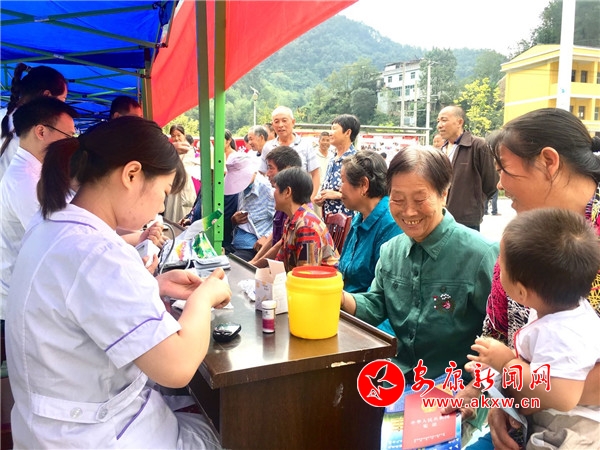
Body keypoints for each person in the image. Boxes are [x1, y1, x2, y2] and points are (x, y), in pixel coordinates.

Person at [5, 116, 231, 448]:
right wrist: (204, 297)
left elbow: (75, 303)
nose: (160, 206)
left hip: (49, 429)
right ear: (132, 174)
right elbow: (178, 365)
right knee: (230, 429)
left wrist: (155, 285)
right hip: (93, 436)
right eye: (163, 192)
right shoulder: (98, 252)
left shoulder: (50, 224)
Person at [442, 108, 600, 450]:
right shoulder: (521, 236)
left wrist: (519, 388)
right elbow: (498, 330)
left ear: (548, 162)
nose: (499, 184)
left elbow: (566, 390)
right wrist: (496, 400)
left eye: (505, 171)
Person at [340, 145, 498, 381]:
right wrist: (338, 297)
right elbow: (376, 304)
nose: (409, 212)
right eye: (398, 199)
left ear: (444, 194)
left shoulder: (481, 254)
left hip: (455, 386)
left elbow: (502, 332)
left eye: (419, 199)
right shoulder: (390, 251)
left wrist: (478, 385)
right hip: (398, 378)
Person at [468, 208, 600, 449]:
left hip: (575, 429)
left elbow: (564, 395)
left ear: (521, 292)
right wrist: (493, 372)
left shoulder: (561, 333)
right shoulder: (561, 310)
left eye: (502, 266)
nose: (497, 269)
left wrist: (506, 363)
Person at [0, 97, 77, 323]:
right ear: (41, 132)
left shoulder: (36, 173)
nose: (71, 145)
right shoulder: (26, 182)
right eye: (68, 136)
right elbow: (60, 244)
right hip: (23, 303)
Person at [338, 151, 402, 336]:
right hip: (349, 311)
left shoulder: (390, 224)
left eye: (343, 180)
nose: (339, 188)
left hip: (370, 324)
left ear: (363, 185)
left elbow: (383, 301)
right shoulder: (359, 218)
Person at [0, 63, 67, 181]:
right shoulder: (41, 128)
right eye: (63, 99)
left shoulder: (2, 114)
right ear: (47, 95)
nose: (63, 106)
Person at [436, 105, 497, 231]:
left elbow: (491, 181)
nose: (439, 125)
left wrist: (474, 201)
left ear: (459, 122)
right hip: (442, 217)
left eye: (444, 120)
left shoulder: (477, 145)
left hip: (466, 219)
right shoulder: (441, 149)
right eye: (438, 121)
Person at [273, 167, 338, 271]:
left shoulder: (307, 226)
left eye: (275, 188)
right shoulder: (292, 220)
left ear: (287, 192)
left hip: (318, 281)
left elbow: (307, 274)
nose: (273, 194)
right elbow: (280, 260)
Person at [249, 146, 302, 268]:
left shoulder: (298, 211)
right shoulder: (283, 203)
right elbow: (274, 237)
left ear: (286, 170)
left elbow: (280, 244)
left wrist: (255, 265)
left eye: (271, 168)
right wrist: (253, 262)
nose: (267, 173)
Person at [259, 106, 320, 200]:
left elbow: (315, 174)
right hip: (275, 201)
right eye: (276, 122)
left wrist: (310, 200)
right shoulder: (268, 147)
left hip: (300, 200)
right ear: (273, 125)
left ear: (293, 122)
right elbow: (262, 174)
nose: (280, 125)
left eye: (284, 120)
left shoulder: (306, 145)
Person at [224, 152, 274, 261]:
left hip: (253, 248)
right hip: (235, 243)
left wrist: (266, 237)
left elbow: (280, 220)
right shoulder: (241, 189)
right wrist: (234, 220)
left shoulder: (268, 189)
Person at [314, 114, 360, 218]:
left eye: (334, 129)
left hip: (348, 220)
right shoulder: (332, 158)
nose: (330, 133)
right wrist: (321, 198)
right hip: (329, 220)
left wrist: (337, 195)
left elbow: (361, 193)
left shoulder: (355, 160)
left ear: (347, 132)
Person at [163, 124, 198, 223]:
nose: (176, 138)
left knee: (183, 214)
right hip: (172, 186)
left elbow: (184, 168)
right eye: (173, 136)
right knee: (171, 212)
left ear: (184, 135)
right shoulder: (170, 150)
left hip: (184, 185)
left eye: (179, 135)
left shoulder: (189, 149)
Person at [314, 131, 333, 218]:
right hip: (316, 192)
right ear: (319, 141)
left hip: (328, 193)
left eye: (327, 140)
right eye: (323, 140)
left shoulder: (332, 156)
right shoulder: (313, 155)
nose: (325, 142)